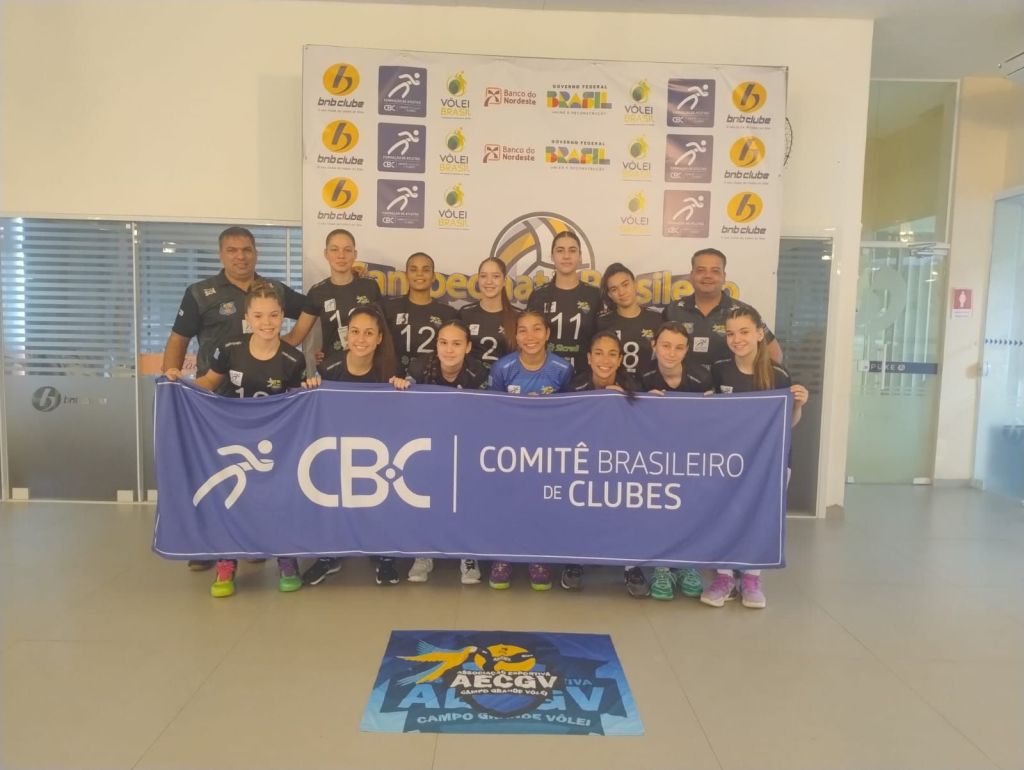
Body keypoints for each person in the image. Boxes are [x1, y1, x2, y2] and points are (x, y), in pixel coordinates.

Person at [162, 226, 305, 571]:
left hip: (265, 406)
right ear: (221, 254)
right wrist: (172, 381)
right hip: (215, 402)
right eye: (232, 250)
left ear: (256, 252)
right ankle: (208, 548)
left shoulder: (272, 290)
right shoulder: (200, 293)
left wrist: (290, 342)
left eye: (246, 249)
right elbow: (178, 339)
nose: (240, 256)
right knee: (216, 475)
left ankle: (252, 542)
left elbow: (310, 306)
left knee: (257, 477)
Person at [702, 306, 808, 609]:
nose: (737, 339)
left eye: (744, 332)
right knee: (723, 514)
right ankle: (724, 577)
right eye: (731, 333)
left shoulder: (778, 375)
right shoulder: (719, 369)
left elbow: (789, 423)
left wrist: (798, 405)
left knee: (760, 517)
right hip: (729, 459)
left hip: (769, 462)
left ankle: (751, 578)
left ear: (760, 334)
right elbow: (711, 417)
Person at [300, 304, 400, 587]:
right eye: (355, 332)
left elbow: (402, 412)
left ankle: (385, 556)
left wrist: (403, 386)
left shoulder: (388, 370)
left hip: (377, 449)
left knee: (385, 495)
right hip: (337, 448)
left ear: (379, 338)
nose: (361, 339)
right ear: (347, 335)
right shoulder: (329, 367)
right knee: (330, 494)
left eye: (368, 333)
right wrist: (310, 389)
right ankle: (328, 556)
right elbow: (314, 409)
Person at [391, 319, 489, 584]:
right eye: (443, 343)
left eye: (456, 343)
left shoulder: (478, 373)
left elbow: (488, 413)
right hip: (428, 444)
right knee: (425, 496)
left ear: (468, 347)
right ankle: (424, 552)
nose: (449, 349)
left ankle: (467, 554)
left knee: (466, 498)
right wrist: (400, 386)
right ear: (436, 345)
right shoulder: (419, 368)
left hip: (466, 445)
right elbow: (403, 405)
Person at [487, 310, 574, 590]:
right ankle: (503, 556)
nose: (530, 336)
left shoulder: (562, 369)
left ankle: (538, 556)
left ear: (547, 333)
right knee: (506, 501)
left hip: (547, 451)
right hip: (509, 450)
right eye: (523, 330)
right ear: (515, 336)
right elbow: (492, 410)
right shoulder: (503, 368)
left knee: (541, 502)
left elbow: (572, 411)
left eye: (537, 329)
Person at [561, 332, 650, 597]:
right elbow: (563, 425)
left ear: (620, 359)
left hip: (621, 461)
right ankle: (575, 560)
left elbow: (646, 424)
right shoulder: (575, 386)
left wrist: (623, 402)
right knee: (577, 500)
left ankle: (631, 566)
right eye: (599, 353)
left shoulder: (633, 386)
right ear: (589, 358)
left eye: (612, 354)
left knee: (629, 503)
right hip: (584, 459)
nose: (605, 360)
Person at [638, 322, 713, 601]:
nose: (671, 353)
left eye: (679, 347)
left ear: (687, 350)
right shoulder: (643, 376)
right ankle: (661, 567)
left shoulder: (701, 377)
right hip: (655, 458)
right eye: (666, 345)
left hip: (690, 455)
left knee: (689, 508)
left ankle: (686, 564)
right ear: (654, 346)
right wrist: (643, 402)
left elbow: (715, 420)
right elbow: (630, 419)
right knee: (659, 509)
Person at [662, 248, 782, 373]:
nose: (707, 276)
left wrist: (752, 380)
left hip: (729, 384)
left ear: (724, 277)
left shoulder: (744, 312)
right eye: (700, 270)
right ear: (691, 276)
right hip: (684, 384)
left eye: (715, 271)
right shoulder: (672, 310)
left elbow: (774, 352)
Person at [283, 229, 382, 357]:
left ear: (355, 254)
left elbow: (383, 330)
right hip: (332, 365)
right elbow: (294, 337)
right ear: (326, 254)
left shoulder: (370, 287)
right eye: (334, 249)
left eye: (347, 250)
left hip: (367, 363)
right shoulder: (317, 292)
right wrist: (260, 345)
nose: (341, 255)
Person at [526, 231, 601, 374]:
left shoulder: (594, 295)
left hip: (584, 375)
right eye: (560, 251)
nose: (566, 256)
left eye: (572, 250)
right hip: (546, 375)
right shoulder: (538, 295)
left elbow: (602, 340)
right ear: (552, 256)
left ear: (580, 256)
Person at [381, 252, 457, 376]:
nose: (419, 274)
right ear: (406, 275)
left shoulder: (448, 313)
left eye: (426, 270)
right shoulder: (389, 307)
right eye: (413, 270)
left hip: (431, 380)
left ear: (433, 277)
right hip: (393, 379)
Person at [596, 263, 662, 377]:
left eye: (625, 285)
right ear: (610, 295)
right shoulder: (601, 323)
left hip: (648, 386)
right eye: (614, 289)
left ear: (635, 284)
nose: (622, 292)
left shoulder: (657, 319)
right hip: (614, 386)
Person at [458, 257, 518, 369]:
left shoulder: (518, 316)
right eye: (483, 276)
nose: (489, 281)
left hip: (505, 379)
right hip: (471, 379)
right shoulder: (465, 313)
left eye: (495, 276)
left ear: (504, 281)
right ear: (478, 280)